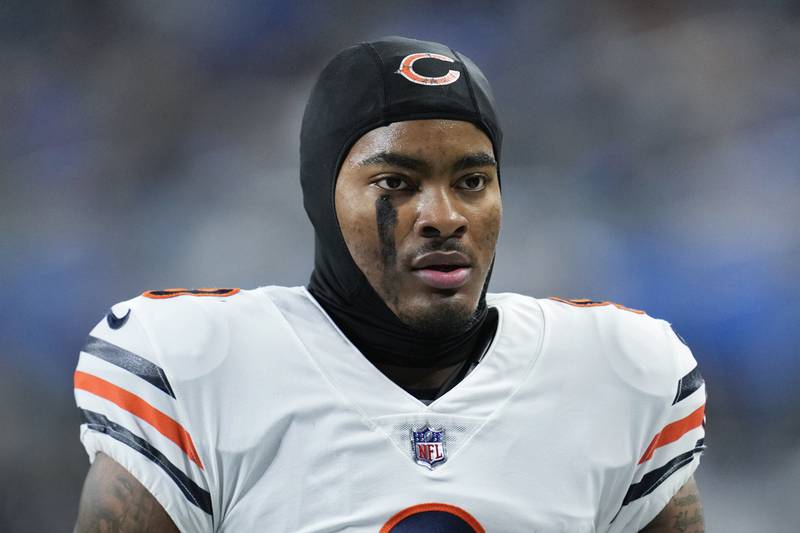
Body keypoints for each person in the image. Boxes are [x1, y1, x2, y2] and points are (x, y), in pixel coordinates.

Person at [73, 36, 706, 532]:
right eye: (396, 183)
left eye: (472, 181)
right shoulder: (194, 369)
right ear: (324, 198)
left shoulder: (618, 372)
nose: (444, 217)